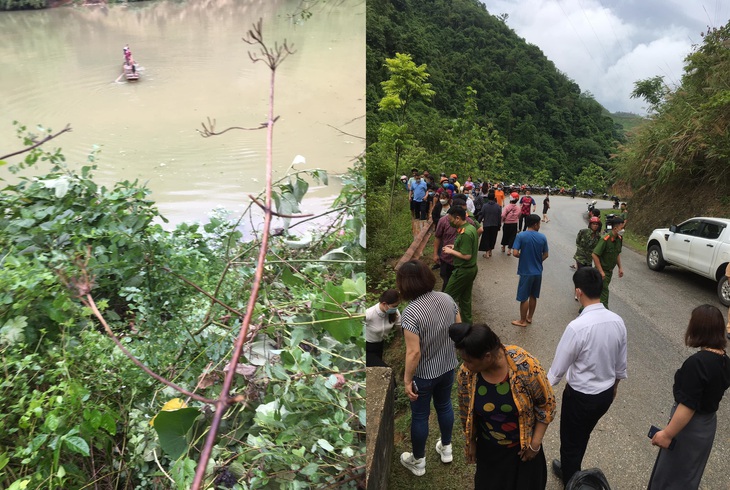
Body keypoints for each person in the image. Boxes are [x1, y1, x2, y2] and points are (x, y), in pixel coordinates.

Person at [450, 322, 556, 490]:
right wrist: (470, 441)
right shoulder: (466, 374)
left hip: (523, 454)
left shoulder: (525, 366)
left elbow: (546, 406)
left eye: (468, 361)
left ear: (487, 357)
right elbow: (465, 411)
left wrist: (534, 444)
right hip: (490, 454)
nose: (465, 365)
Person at [547, 267, 628, 485]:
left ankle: (572, 480)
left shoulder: (577, 327)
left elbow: (556, 371)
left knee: (570, 442)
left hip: (580, 397)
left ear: (578, 292)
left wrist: (541, 391)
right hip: (604, 396)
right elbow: (620, 365)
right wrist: (614, 388)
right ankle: (570, 468)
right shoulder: (617, 321)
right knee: (583, 434)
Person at [648, 304, 730, 489]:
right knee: (689, 474)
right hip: (707, 426)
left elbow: (688, 406)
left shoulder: (697, 363)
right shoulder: (724, 360)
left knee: (672, 474)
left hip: (688, 427)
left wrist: (667, 434)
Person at [398, 260, 461, 477]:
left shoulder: (410, 313)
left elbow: (413, 353)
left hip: (424, 375)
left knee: (420, 416)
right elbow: (459, 330)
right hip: (447, 367)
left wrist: (407, 381)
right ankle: (446, 448)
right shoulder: (447, 298)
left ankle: (419, 461)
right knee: (444, 405)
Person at [433, 195, 478, 291]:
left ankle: (449, 300)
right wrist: (435, 253)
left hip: (461, 264)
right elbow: (438, 237)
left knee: (453, 288)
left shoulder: (469, 225)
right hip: (447, 259)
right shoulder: (443, 221)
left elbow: (467, 255)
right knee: (446, 281)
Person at [510, 214, 548, 327]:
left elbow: (515, 253)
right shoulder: (542, 237)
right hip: (538, 272)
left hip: (526, 272)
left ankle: (522, 321)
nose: (539, 225)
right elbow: (546, 255)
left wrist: (524, 257)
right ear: (536, 224)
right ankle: (529, 317)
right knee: (533, 295)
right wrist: (537, 260)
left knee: (523, 297)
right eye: (539, 223)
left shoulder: (521, 236)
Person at [443, 206, 479, 324]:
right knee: (465, 300)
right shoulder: (470, 227)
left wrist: (451, 252)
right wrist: (455, 247)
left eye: (450, 220)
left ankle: (445, 324)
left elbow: (467, 255)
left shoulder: (465, 233)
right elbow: (467, 247)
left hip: (463, 271)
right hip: (470, 269)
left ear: (457, 218)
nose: (449, 222)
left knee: (446, 298)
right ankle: (467, 325)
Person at [591, 216, 625, 309]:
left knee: (596, 292)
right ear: (615, 228)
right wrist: (601, 271)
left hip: (609, 272)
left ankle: (584, 309)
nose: (623, 230)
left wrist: (620, 267)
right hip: (601, 271)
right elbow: (594, 254)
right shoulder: (605, 239)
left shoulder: (619, 238)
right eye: (622, 228)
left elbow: (617, 253)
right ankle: (604, 313)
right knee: (604, 295)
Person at [364, 289, 401, 367]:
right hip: (367, 348)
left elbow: (400, 327)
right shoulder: (369, 314)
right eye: (394, 306)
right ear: (384, 304)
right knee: (385, 370)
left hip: (380, 346)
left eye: (397, 306)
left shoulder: (395, 312)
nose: (395, 308)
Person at [478, 191, 501, 258]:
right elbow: (499, 217)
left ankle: (487, 253)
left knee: (486, 238)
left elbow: (481, 215)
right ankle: (490, 251)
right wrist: (499, 225)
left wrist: (477, 223)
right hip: (495, 225)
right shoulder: (498, 206)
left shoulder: (485, 206)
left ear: (488, 198)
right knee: (492, 238)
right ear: (494, 198)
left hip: (487, 224)